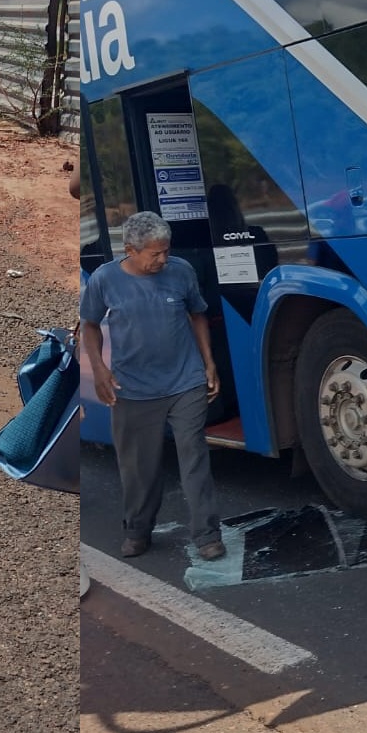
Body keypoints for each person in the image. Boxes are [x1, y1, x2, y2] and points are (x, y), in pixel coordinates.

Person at [78, 210, 224, 561]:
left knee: (194, 459)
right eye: (154, 253)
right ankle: (138, 531)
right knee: (138, 468)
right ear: (130, 250)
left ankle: (207, 535)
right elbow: (90, 324)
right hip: (133, 389)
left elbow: (197, 314)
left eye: (165, 251)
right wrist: (98, 368)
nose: (162, 259)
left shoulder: (181, 271)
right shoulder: (105, 279)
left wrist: (209, 362)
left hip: (185, 382)